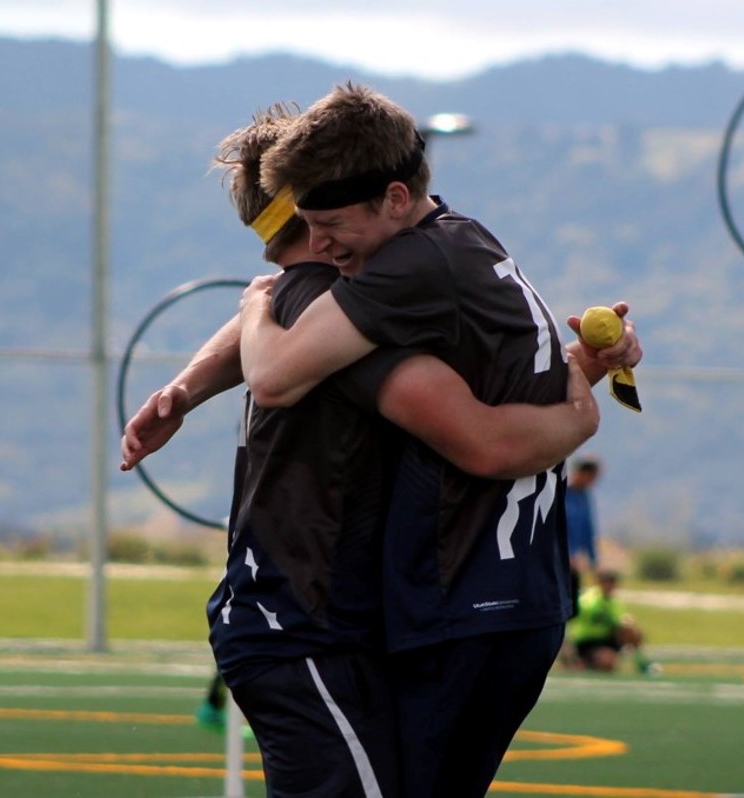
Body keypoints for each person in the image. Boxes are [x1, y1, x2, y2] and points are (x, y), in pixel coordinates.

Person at [121, 104, 601, 798]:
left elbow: (278, 339)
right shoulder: (395, 282)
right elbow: (485, 439)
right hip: (319, 628)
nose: (335, 243)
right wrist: (577, 409)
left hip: (368, 618)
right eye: (320, 226)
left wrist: (211, 357)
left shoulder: (340, 297)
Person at [237, 82, 644, 797]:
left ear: (394, 200)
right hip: (506, 596)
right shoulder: (463, 238)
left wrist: (250, 309)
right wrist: (582, 382)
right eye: (314, 224)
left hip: (462, 600)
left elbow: (272, 375)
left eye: (334, 222)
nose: (331, 248)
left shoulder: (397, 271)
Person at [568, 569, 657, 674]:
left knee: (630, 630)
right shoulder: (588, 600)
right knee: (607, 661)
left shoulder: (615, 603)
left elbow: (619, 622)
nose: (609, 586)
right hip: (589, 641)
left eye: (611, 583)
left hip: (607, 639)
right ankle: (583, 663)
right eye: (606, 582)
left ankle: (641, 662)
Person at [565, 454, 604, 615]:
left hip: (574, 561)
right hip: (560, 557)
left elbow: (588, 529)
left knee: (572, 606)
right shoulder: (562, 493)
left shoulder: (585, 497)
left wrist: (593, 560)